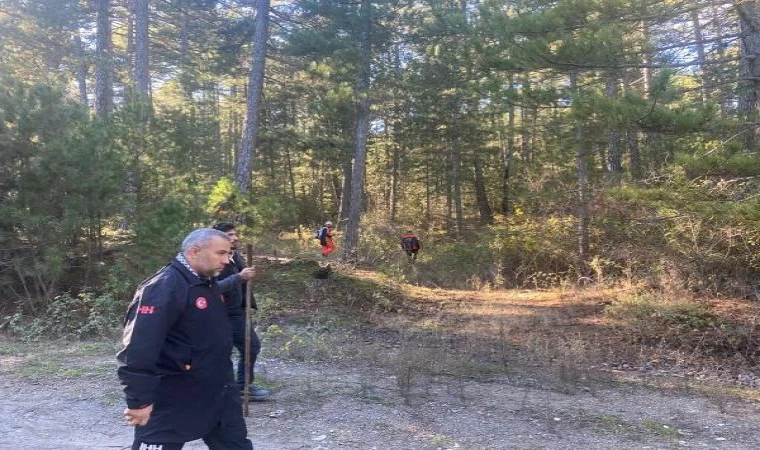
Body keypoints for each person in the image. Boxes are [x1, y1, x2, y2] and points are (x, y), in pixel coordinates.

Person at [117, 228, 254, 450]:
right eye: (220, 253)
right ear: (194, 251)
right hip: (173, 396)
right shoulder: (164, 287)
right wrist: (139, 400)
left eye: (229, 254)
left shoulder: (206, 282)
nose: (227, 261)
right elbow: (138, 349)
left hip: (219, 393)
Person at [213, 222, 272, 401]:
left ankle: (242, 386)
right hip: (221, 313)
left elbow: (243, 277)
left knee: (250, 347)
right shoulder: (213, 260)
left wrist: (247, 275)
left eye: (235, 234)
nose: (235, 238)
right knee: (222, 351)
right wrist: (239, 277)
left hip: (239, 311)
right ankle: (229, 387)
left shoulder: (235, 255)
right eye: (230, 235)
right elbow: (211, 288)